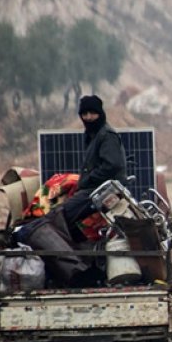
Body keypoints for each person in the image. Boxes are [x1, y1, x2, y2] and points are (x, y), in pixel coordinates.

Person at [61, 95, 127, 239]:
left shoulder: (106, 135)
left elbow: (112, 165)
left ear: (100, 113)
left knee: (64, 213)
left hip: (103, 190)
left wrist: (87, 180)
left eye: (92, 113)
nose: (89, 117)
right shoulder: (92, 134)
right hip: (95, 188)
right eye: (85, 114)